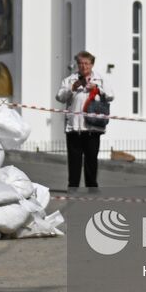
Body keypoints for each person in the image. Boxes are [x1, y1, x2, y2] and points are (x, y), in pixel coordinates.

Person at [55, 51, 113, 190]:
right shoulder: (69, 79)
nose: (83, 66)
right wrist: (73, 87)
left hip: (93, 126)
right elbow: (60, 97)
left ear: (92, 64)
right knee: (74, 159)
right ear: (77, 64)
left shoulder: (100, 79)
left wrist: (98, 89)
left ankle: (92, 187)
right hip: (74, 126)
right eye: (80, 63)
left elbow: (110, 95)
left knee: (91, 159)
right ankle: (73, 186)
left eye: (86, 63)